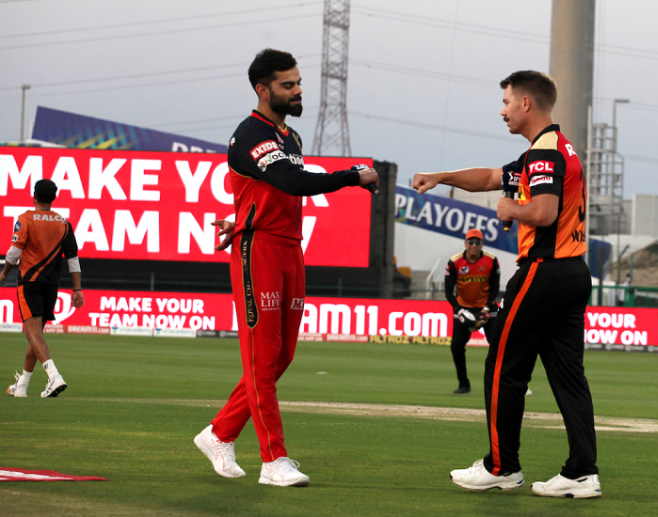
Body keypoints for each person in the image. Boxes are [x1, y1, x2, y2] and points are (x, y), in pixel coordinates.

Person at [193, 48, 378, 488]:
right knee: (262, 360)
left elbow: (271, 190)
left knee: (281, 357)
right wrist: (351, 176)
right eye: (287, 85)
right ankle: (273, 460)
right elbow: (292, 182)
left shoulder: (288, 136)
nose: (298, 91)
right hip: (259, 250)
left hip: (290, 248)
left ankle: (219, 433)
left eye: (298, 83)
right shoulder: (250, 134)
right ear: (263, 90)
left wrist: (241, 215)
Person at [412, 70, 601, 499]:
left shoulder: (544, 154)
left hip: (543, 271)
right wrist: (441, 176)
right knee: (568, 378)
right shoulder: (555, 147)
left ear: (526, 103)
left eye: (506, 102)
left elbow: (544, 212)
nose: (503, 111)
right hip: (573, 272)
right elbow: (489, 177)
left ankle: (502, 467)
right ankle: (581, 472)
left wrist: (511, 210)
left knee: (503, 366)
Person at [1, 179, 84, 398]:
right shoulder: (64, 224)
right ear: (54, 198)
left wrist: (4, 273)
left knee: (32, 333)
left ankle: (54, 377)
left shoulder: (26, 219)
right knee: (35, 335)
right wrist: (77, 289)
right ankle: (22, 385)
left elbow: (14, 253)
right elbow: (73, 259)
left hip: (29, 281)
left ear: (34, 195)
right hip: (51, 285)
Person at [444, 228, 500, 394]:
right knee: (456, 346)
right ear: (465, 243)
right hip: (463, 307)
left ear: (482, 244)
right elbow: (448, 291)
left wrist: (486, 308)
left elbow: (495, 287)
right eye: (471, 242)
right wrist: (459, 310)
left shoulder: (492, 260)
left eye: (477, 242)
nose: (474, 245)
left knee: (497, 346)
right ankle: (464, 384)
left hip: (487, 307)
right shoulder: (454, 262)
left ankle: (499, 383)